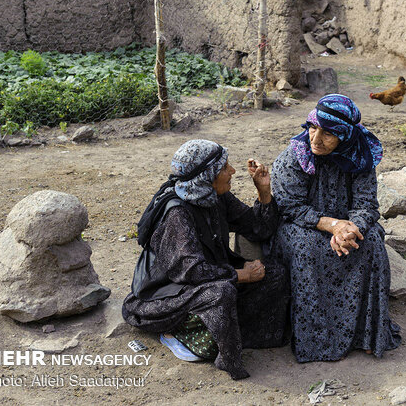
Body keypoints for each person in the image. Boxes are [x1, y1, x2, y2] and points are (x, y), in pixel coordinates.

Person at [122, 139, 288, 380]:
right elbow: (191, 272)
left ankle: (228, 333)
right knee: (221, 293)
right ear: (206, 176)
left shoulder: (215, 196)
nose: (232, 171)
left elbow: (258, 229)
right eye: (225, 168)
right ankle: (176, 334)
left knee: (275, 274)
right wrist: (242, 274)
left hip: (208, 281)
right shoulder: (177, 213)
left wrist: (263, 191)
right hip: (165, 296)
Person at [270, 94, 401, 363]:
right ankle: (315, 341)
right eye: (313, 128)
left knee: (372, 242)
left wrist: (349, 229)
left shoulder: (359, 155)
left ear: (345, 135)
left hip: (346, 226)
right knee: (308, 249)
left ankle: (366, 334)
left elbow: (367, 203)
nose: (316, 139)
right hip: (301, 224)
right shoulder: (296, 155)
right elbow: (289, 206)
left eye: (328, 134)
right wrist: (331, 225)